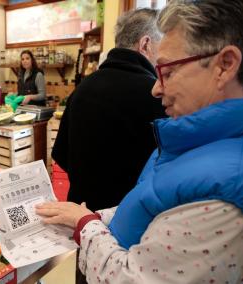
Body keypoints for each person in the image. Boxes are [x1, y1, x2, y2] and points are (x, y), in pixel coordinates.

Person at [37, 1, 243, 283]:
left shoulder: (228, 186)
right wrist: (94, 218)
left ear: (224, 66)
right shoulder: (190, 140)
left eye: (168, 71)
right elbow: (150, 203)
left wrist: (85, 223)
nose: (156, 87)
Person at [52, 8, 165, 212]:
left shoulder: (83, 88)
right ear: (146, 44)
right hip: (129, 221)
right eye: (163, 46)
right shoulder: (159, 95)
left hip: (80, 214)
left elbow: (61, 155)